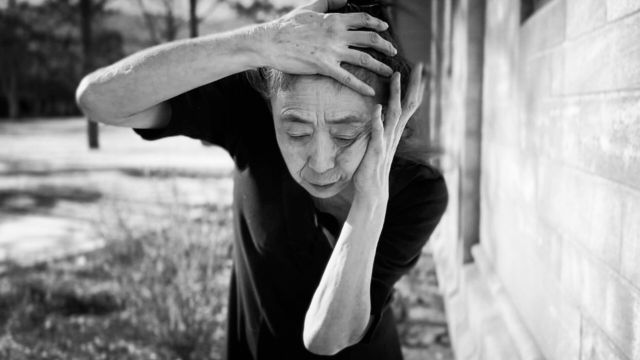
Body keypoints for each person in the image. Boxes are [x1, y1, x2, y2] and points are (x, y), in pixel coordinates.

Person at [76, 0, 448, 359]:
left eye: (346, 135)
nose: (319, 163)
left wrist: (370, 201)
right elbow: (97, 99)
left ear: (388, 118)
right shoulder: (251, 118)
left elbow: (325, 337)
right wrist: (260, 42)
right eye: (297, 132)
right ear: (270, 110)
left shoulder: (418, 191)